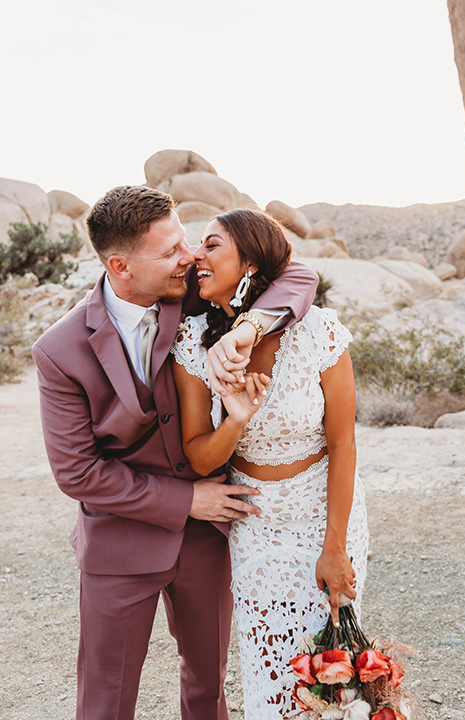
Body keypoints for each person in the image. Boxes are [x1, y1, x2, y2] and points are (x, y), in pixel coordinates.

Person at [31, 185, 318, 720]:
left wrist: (251, 325)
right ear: (120, 265)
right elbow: (77, 473)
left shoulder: (185, 291)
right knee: (105, 700)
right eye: (169, 251)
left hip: (207, 543)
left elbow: (295, 275)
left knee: (208, 690)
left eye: (185, 242)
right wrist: (186, 500)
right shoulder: (59, 351)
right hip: (120, 543)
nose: (187, 258)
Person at [171, 208, 369, 719]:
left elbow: (343, 443)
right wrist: (235, 420)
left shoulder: (320, 330)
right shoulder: (192, 341)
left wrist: (335, 547)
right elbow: (198, 452)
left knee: (331, 674)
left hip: (324, 511)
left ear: (251, 264)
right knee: (271, 678)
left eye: (212, 246)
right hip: (255, 523)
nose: (197, 256)